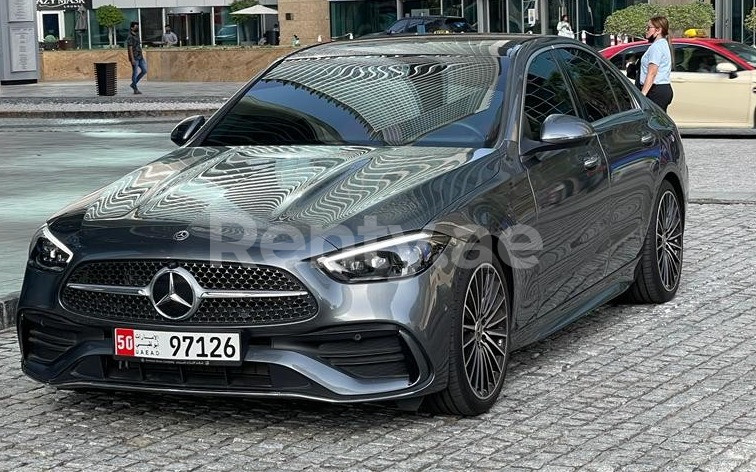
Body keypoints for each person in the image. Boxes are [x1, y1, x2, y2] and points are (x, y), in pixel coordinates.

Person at [639, 16, 673, 111]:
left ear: (658, 30)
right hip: (661, 89)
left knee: (654, 122)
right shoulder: (663, 44)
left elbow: (652, 73)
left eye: (649, 28)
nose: (646, 30)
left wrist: (642, 95)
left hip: (655, 91)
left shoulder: (657, 47)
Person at [126, 22, 147, 94]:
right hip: (134, 57)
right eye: (136, 27)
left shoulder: (137, 35)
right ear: (132, 28)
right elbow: (130, 48)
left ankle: (133, 84)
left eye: (137, 26)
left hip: (140, 56)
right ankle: (135, 88)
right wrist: (132, 59)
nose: (137, 28)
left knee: (144, 70)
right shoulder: (130, 36)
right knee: (135, 73)